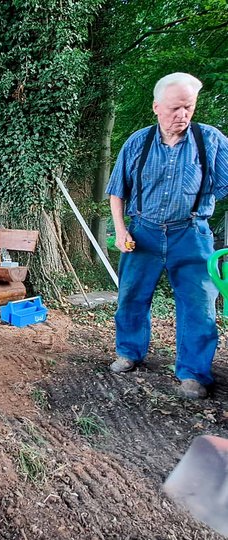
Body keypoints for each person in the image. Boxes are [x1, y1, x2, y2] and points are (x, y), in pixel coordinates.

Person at [106, 72, 228, 399]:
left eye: (188, 107)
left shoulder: (211, 140)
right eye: (175, 108)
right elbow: (117, 192)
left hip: (192, 233)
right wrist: (120, 230)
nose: (183, 115)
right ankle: (129, 352)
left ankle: (192, 371)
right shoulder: (137, 142)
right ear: (157, 108)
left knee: (199, 304)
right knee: (131, 296)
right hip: (142, 232)